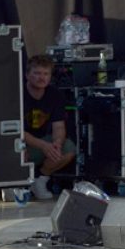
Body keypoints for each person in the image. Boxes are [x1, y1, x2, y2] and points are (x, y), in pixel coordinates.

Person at [23, 54, 77, 199]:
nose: (42, 78)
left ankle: (40, 180)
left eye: (46, 74)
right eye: (37, 73)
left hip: (43, 142)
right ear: (27, 74)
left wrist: (57, 144)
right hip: (23, 143)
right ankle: (19, 185)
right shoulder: (18, 94)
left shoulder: (55, 95)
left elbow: (59, 126)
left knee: (68, 149)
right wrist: (43, 146)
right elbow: (16, 131)